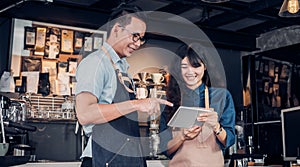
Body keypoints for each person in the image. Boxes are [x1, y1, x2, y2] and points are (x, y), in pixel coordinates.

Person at [75, 3, 173, 167]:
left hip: (126, 158)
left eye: (141, 38)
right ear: (116, 29)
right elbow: (85, 114)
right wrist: (137, 104)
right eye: (135, 36)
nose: (138, 43)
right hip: (103, 158)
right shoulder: (95, 63)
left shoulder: (122, 68)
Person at [159, 43, 236, 166]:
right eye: (184, 66)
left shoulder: (221, 96)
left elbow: (229, 140)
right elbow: (165, 149)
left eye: (196, 66)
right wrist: (181, 136)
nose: (190, 71)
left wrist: (216, 126)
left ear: (205, 67)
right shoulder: (170, 101)